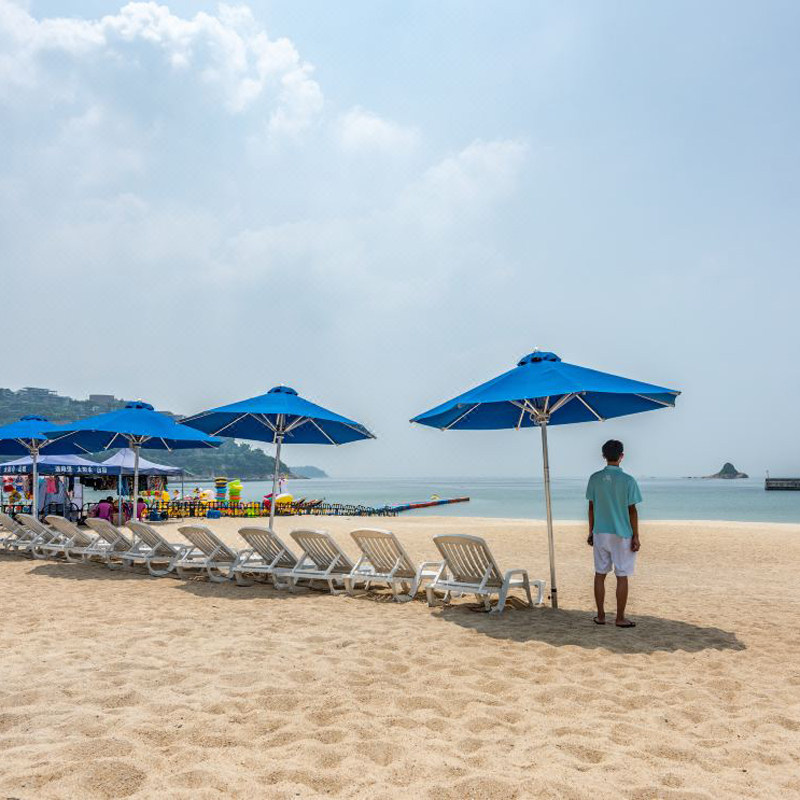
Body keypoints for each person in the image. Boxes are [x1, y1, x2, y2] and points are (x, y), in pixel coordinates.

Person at [586, 439, 642, 628]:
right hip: (622, 533)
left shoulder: (594, 478)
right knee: (622, 575)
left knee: (600, 574)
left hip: (600, 532)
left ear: (603, 456)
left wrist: (590, 531)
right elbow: (632, 510)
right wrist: (636, 536)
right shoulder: (628, 480)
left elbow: (591, 507)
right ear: (621, 456)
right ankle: (619, 618)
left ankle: (601, 616)